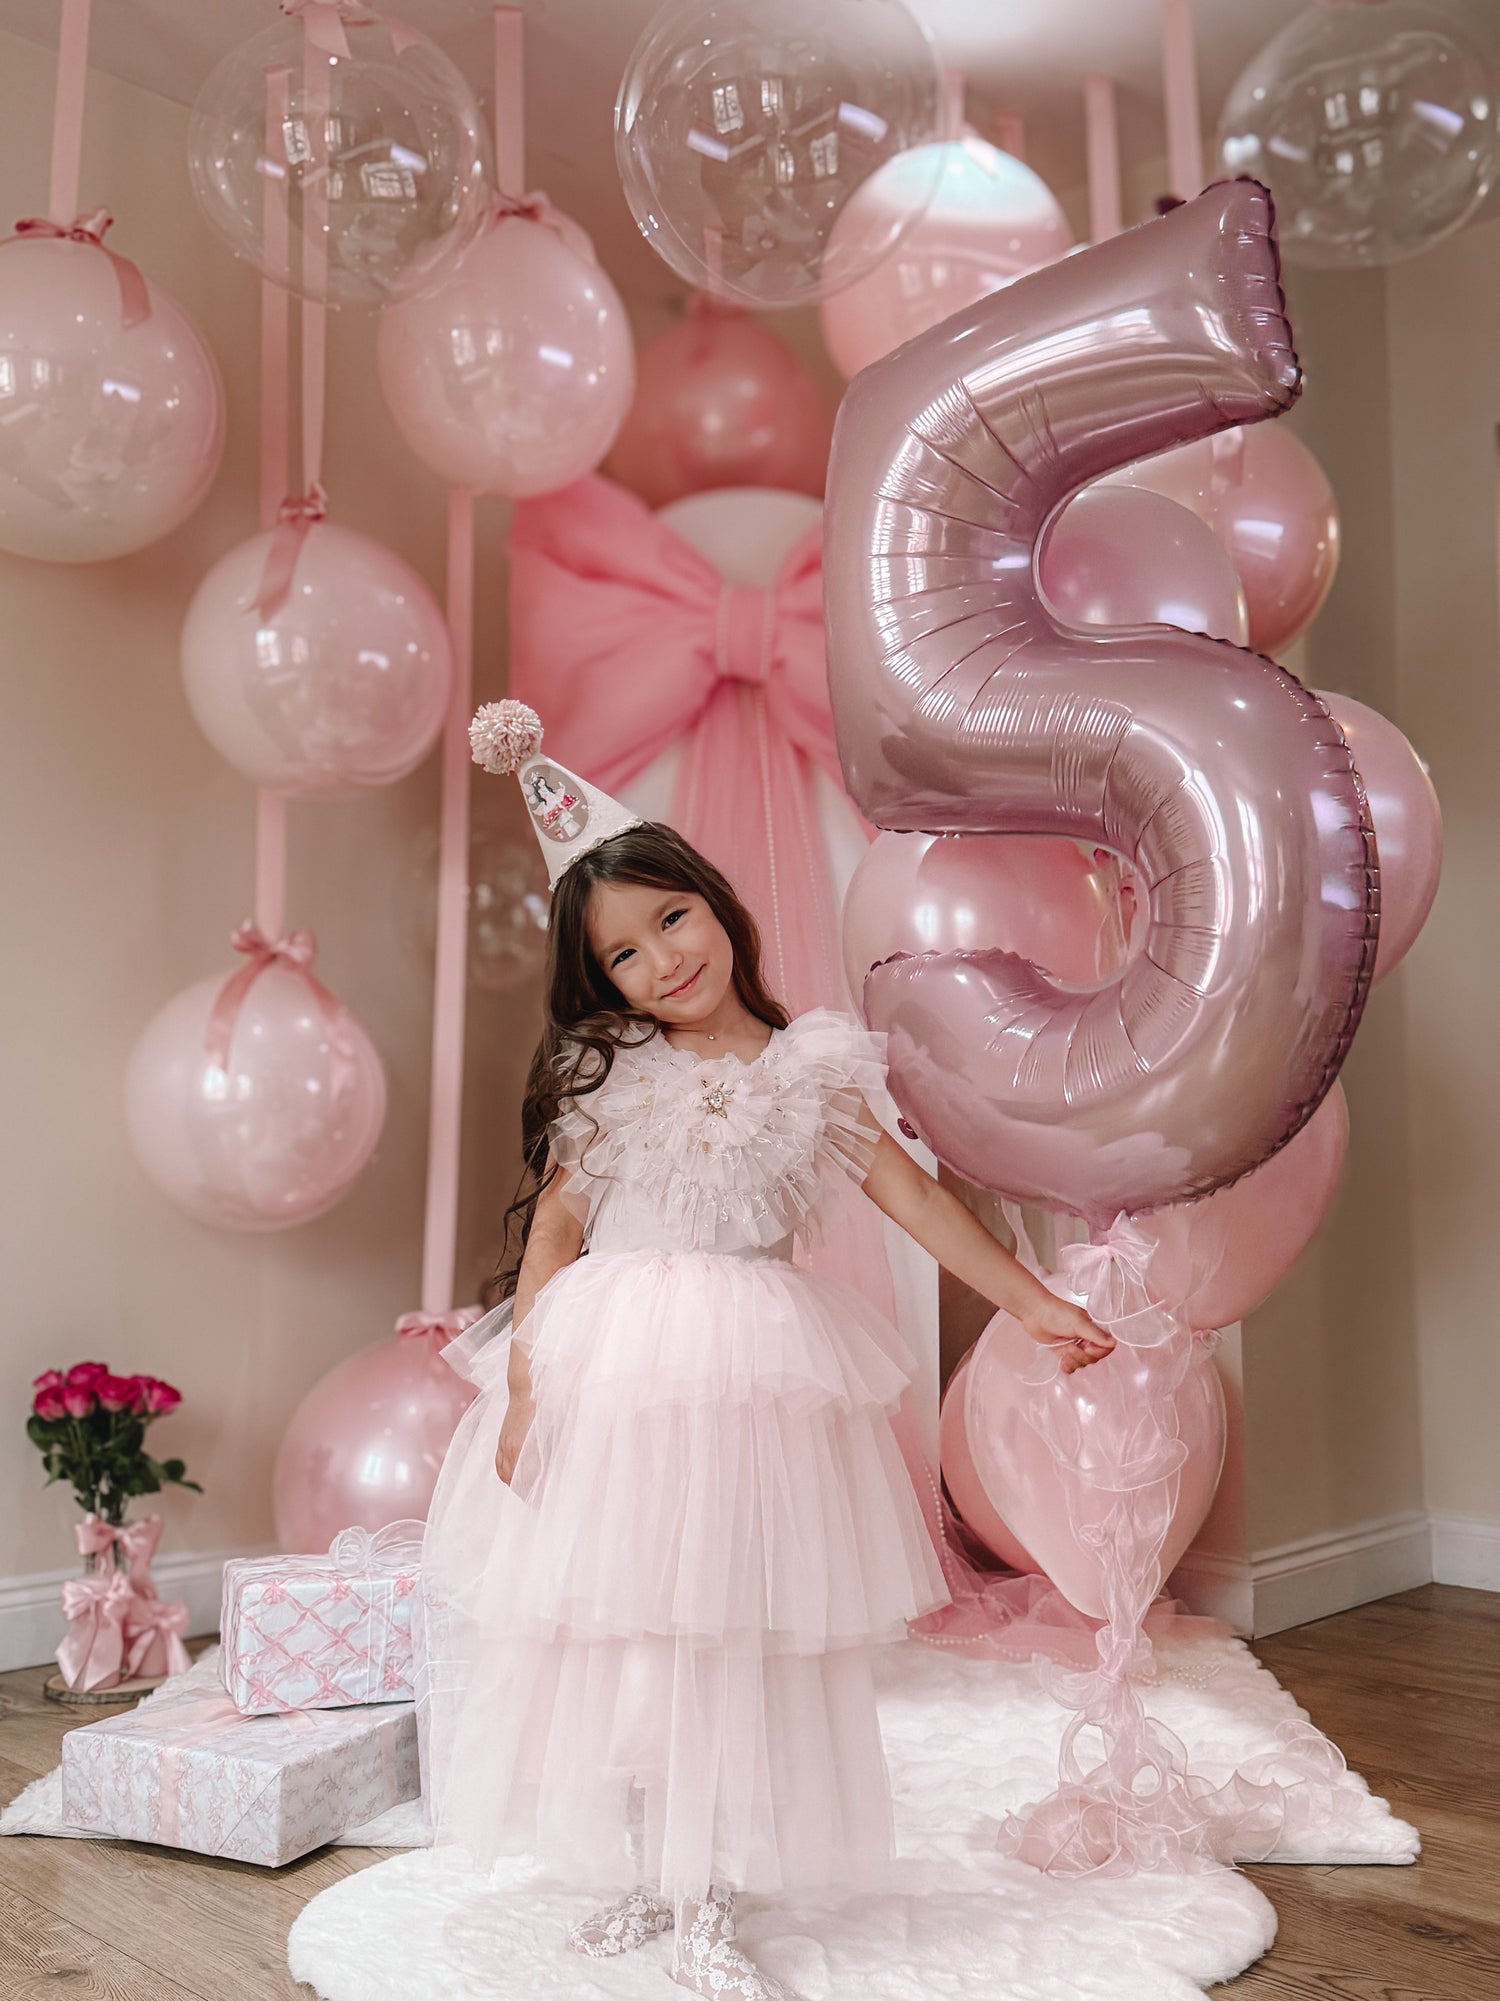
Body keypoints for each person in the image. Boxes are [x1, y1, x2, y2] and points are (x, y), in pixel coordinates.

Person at [419, 700, 1114, 2001]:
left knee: (725, 1628)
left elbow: (916, 1203)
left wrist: (1030, 1302)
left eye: (672, 919)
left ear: (718, 904)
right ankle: (650, 1867)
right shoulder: (609, 1070)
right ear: (602, 983)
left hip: (752, 1377)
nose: (661, 962)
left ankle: (709, 1895)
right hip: (619, 1375)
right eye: (624, 956)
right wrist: (522, 1385)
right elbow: (557, 1231)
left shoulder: (815, 1070)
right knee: (630, 1632)